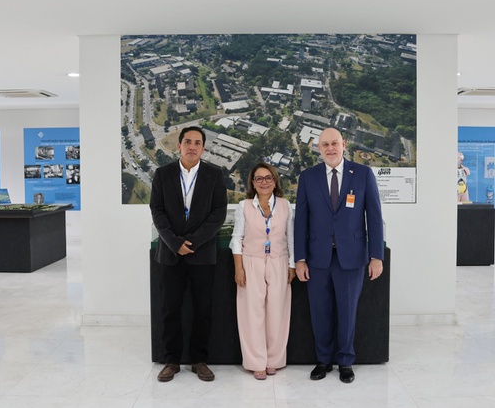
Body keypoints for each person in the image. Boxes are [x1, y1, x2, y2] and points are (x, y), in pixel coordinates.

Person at [294, 128, 384, 384]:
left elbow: (374, 217)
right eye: (325, 145)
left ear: (344, 144)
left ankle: (345, 361)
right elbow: (301, 220)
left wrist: (376, 255)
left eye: (334, 143)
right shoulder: (308, 177)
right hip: (317, 258)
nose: (330, 148)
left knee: (347, 311)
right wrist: (300, 258)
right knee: (320, 312)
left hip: (352, 257)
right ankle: (323, 360)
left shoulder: (363, 174)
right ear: (318, 148)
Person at [150, 126, 227, 383]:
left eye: (197, 142)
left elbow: (218, 214)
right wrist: (175, 242)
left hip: (202, 254)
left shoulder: (215, 175)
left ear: (203, 148)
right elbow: (157, 212)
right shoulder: (162, 174)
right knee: (170, 309)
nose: (192, 146)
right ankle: (171, 360)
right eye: (187, 142)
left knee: (202, 309)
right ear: (179, 146)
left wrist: (191, 242)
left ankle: (199, 360)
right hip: (170, 255)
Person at [230, 162, 296, 380]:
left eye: (268, 177)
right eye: (259, 178)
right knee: (252, 314)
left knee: (278, 312)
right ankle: (256, 361)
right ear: (252, 182)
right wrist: (238, 268)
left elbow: (291, 239)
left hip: (279, 261)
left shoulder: (286, 206)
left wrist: (292, 265)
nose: (264, 182)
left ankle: (274, 359)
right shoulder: (244, 206)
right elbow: (237, 239)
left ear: (275, 180)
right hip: (251, 262)